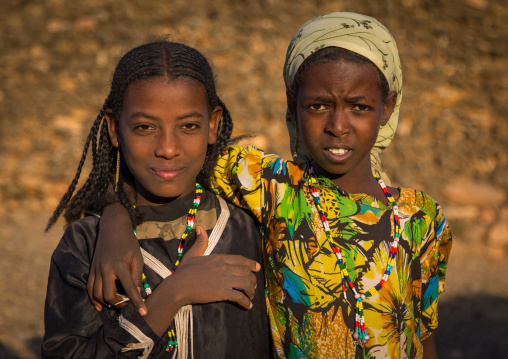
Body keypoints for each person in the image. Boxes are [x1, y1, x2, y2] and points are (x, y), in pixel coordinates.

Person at [92, 13, 452, 359]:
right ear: (292, 107)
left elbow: (423, 336)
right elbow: (166, 161)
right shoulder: (269, 186)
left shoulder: (421, 217)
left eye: (359, 107)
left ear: (387, 107)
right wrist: (115, 219)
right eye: (319, 105)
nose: (338, 126)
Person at [42, 40, 271, 359]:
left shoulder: (249, 229)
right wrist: (174, 293)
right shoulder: (84, 245)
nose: (167, 147)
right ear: (114, 128)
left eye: (188, 126)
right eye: (145, 127)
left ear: (213, 125)